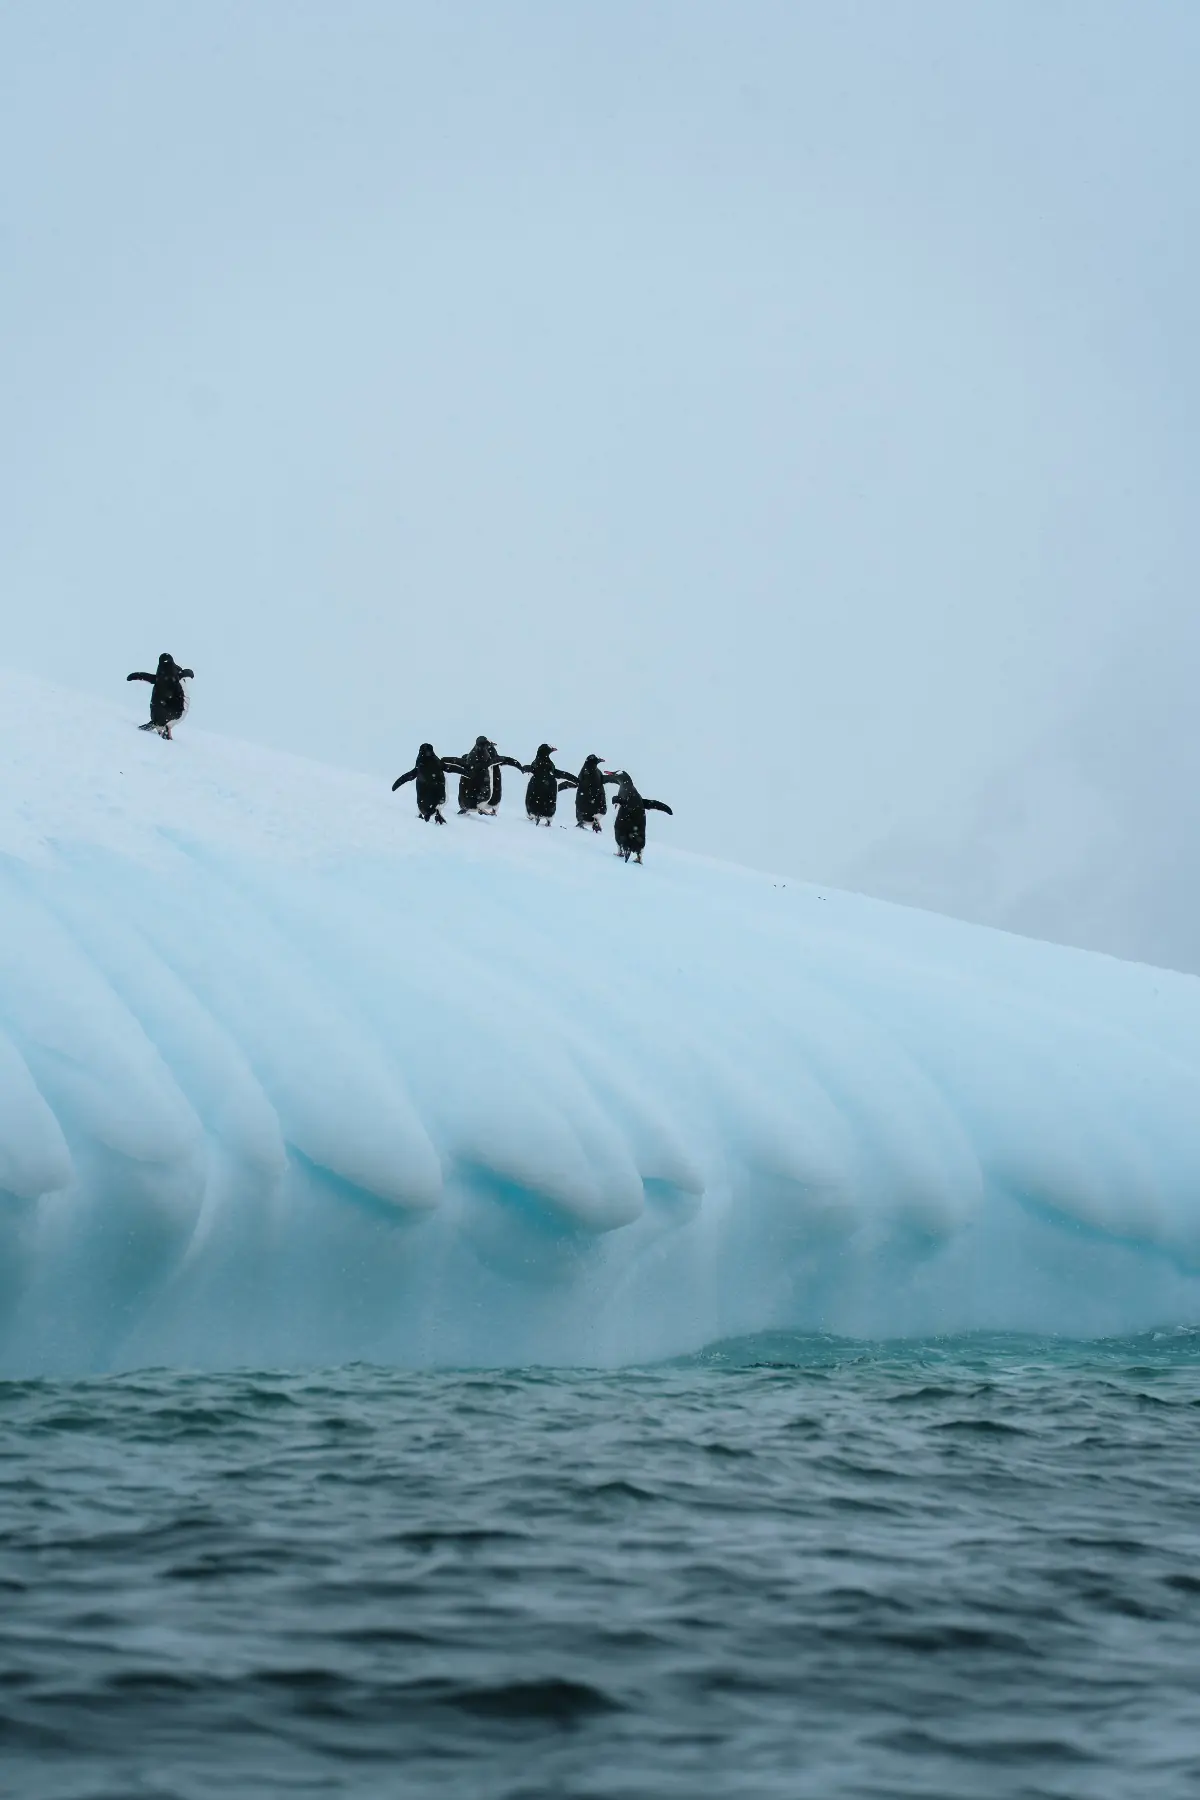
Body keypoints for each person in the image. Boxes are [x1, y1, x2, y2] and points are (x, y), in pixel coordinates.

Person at [127, 653, 193, 738]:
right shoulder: (176, 674)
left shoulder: (160, 677)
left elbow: (145, 676)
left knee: (164, 713)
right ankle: (165, 727)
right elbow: (189, 673)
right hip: (174, 712)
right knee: (170, 715)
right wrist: (188, 673)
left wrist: (134, 676)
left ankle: (160, 725)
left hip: (160, 714)